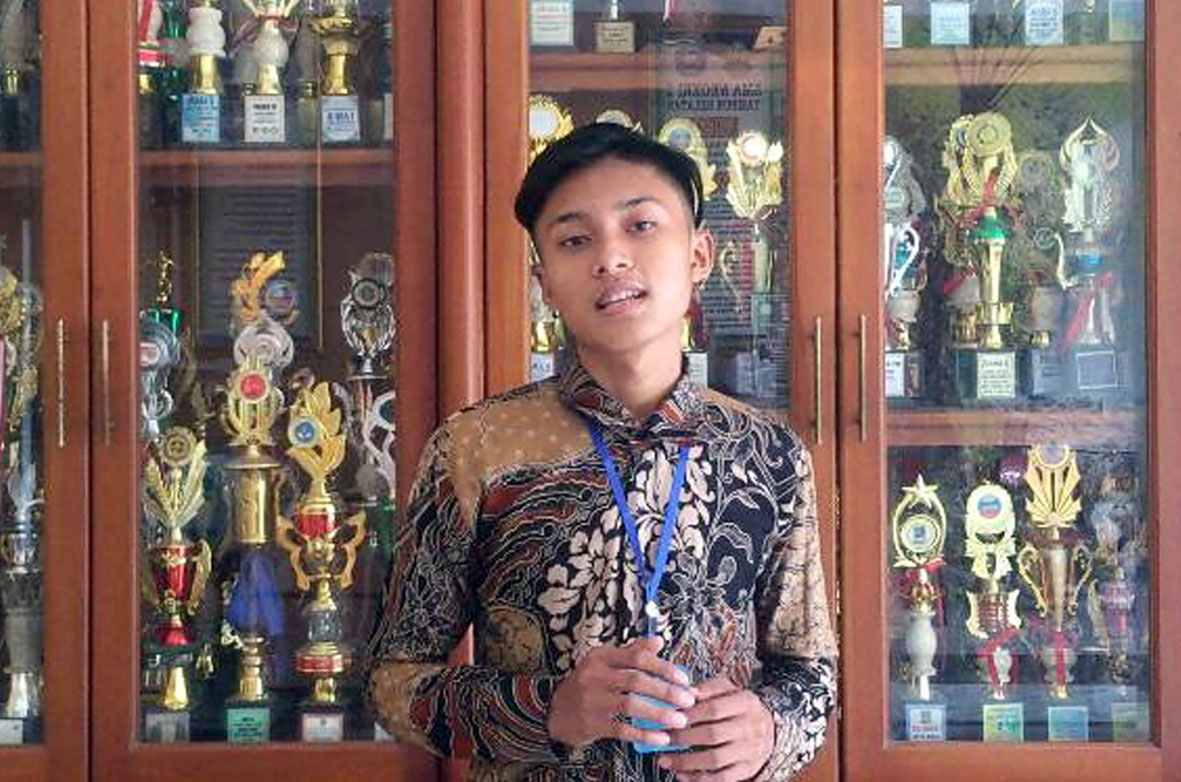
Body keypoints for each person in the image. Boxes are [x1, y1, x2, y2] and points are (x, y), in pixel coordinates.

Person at [366, 122, 837, 781]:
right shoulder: (477, 449)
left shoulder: (768, 454)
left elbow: (810, 672)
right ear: (545, 283)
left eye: (640, 226)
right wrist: (547, 710)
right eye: (574, 240)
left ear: (699, 255)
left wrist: (769, 728)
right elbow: (392, 681)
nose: (610, 258)